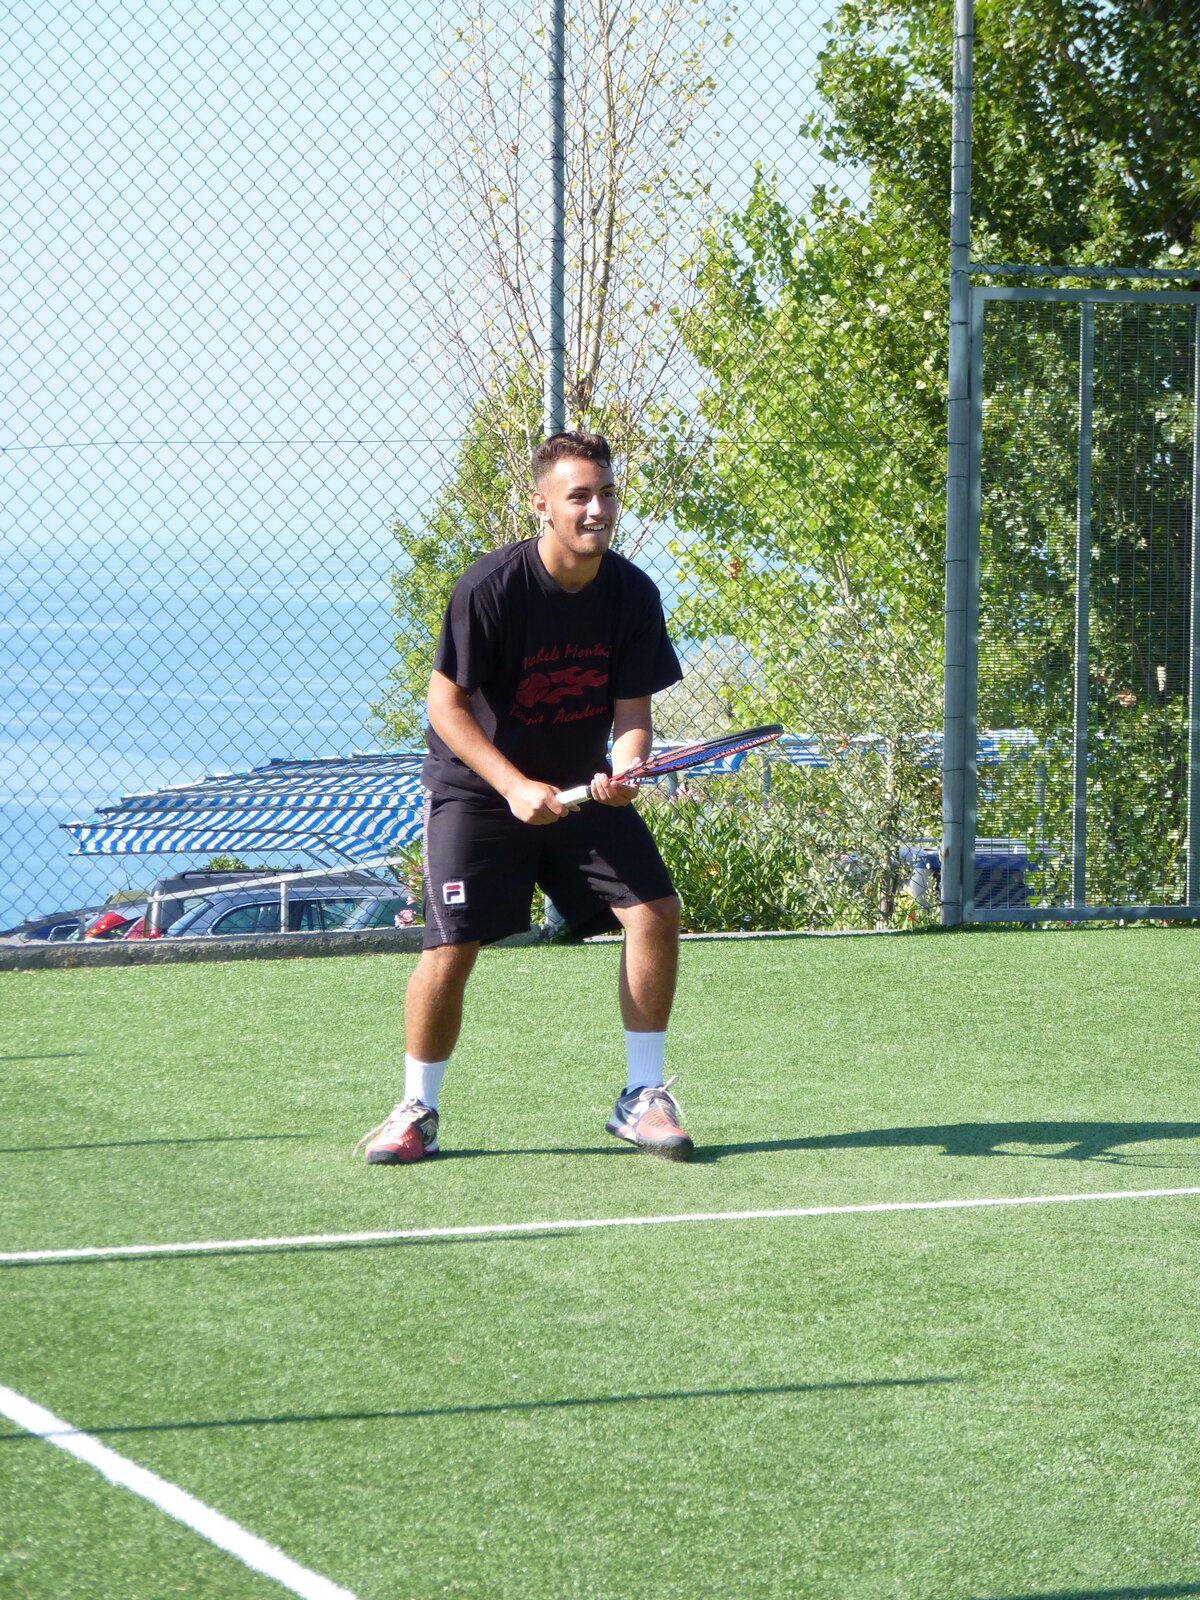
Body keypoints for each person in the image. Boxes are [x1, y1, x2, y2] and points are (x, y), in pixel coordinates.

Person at [359, 430, 691, 1164]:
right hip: (477, 793)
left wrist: (624, 774)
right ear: (542, 505)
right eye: (580, 496)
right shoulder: (489, 588)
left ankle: (642, 1098)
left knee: (655, 913)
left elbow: (632, 717)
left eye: (606, 493)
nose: (597, 509)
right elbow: (443, 707)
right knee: (451, 946)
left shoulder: (632, 593)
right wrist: (511, 786)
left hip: (579, 795)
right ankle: (415, 1110)